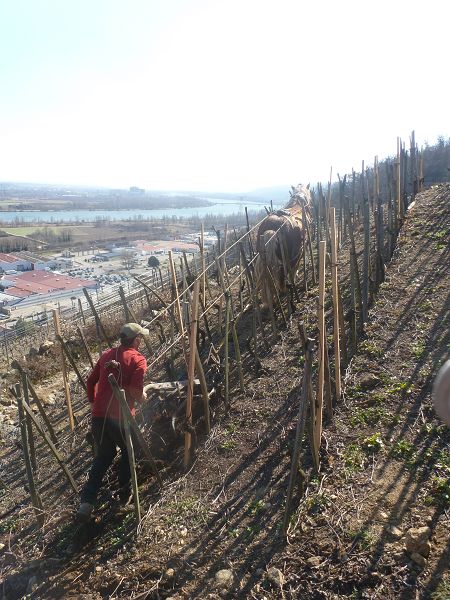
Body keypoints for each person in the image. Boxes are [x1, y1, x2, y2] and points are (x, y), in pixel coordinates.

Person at [76, 322, 149, 522]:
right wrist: (142, 396)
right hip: (121, 417)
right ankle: (124, 496)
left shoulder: (107, 355)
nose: (140, 341)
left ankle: (86, 502)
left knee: (104, 456)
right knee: (130, 451)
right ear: (135, 340)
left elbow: (91, 382)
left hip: (98, 417)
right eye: (139, 338)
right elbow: (135, 392)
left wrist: (93, 402)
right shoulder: (138, 360)